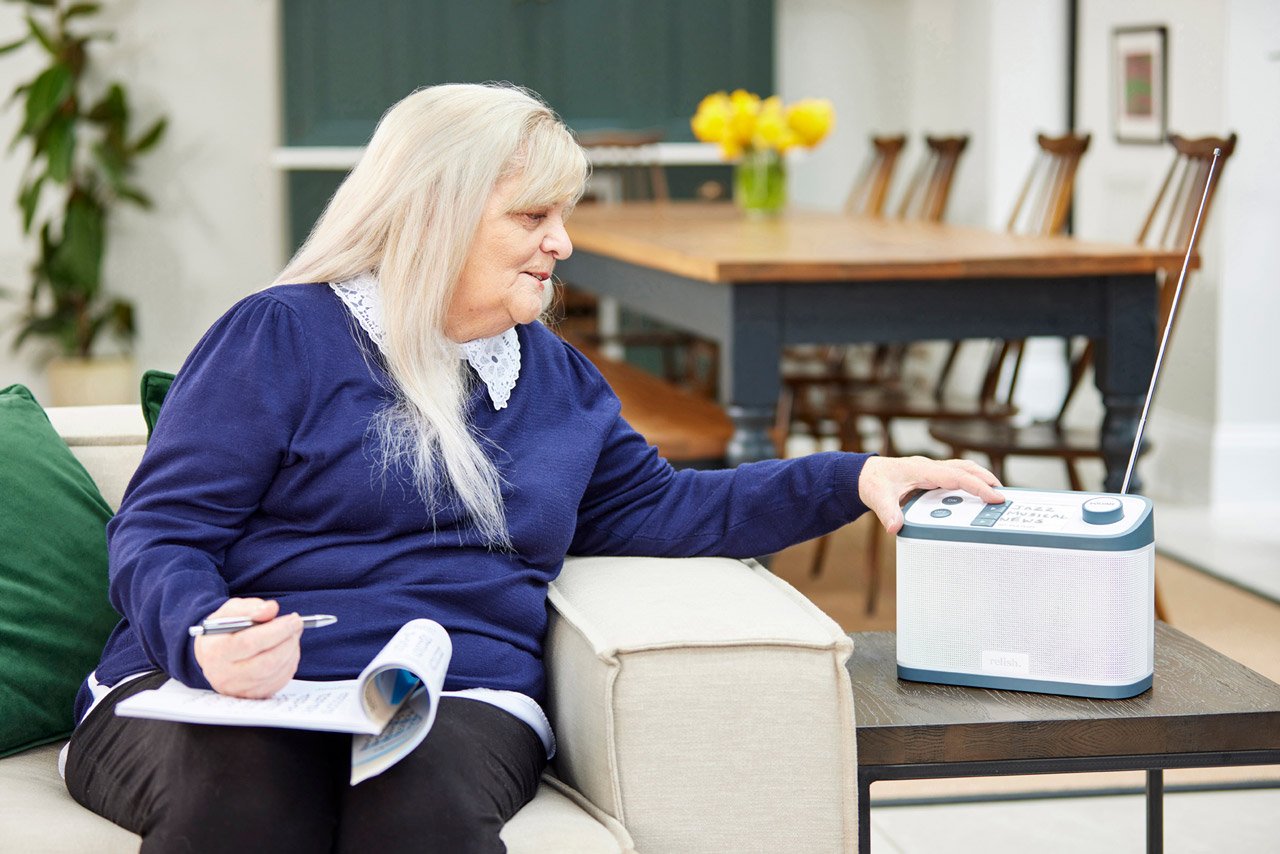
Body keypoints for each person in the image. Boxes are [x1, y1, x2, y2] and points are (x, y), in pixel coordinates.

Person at [62, 83, 1003, 853]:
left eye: (564, 215)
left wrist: (854, 477)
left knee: (420, 819)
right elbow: (161, 529)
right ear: (434, 215)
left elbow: (667, 510)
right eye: (533, 215)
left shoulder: (556, 380)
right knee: (250, 807)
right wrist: (203, 634)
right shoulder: (282, 335)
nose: (562, 243)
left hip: (454, 693)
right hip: (214, 691)